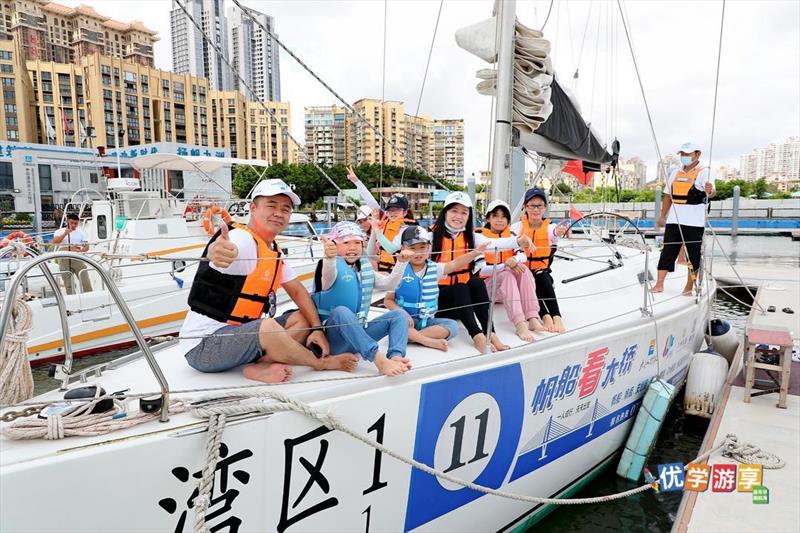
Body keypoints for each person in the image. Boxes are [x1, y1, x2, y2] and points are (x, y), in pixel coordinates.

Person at [180, 179, 359, 384]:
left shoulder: (273, 251)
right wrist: (217, 251)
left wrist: (317, 329)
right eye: (271, 206)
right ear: (253, 208)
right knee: (267, 326)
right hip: (204, 348)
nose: (279, 213)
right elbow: (228, 249)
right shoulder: (242, 238)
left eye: (285, 209)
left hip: (242, 335)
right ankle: (320, 364)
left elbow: (298, 292)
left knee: (302, 318)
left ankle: (260, 364)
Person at [431, 192, 530, 353]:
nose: (459, 216)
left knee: (476, 282)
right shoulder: (430, 238)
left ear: (469, 216)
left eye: (464, 212)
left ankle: (490, 333)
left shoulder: (471, 238)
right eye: (454, 211)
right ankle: (477, 336)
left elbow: (496, 243)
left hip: (463, 305)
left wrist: (518, 241)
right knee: (461, 287)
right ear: (445, 213)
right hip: (438, 303)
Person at [312, 221, 412, 376]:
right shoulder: (329, 267)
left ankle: (396, 357)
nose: (352, 247)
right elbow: (328, 274)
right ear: (335, 245)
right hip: (335, 341)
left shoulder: (364, 268)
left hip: (360, 335)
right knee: (341, 311)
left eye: (357, 242)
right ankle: (378, 360)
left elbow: (389, 284)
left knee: (399, 315)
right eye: (346, 242)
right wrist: (329, 257)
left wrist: (401, 263)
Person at [384, 226, 484, 351]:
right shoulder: (398, 270)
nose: (418, 252)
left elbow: (455, 263)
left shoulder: (435, 269)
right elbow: (388, 300)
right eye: (412, 248)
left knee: (452, 326)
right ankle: (427, 341)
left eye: (422, 247)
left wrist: (475, 253)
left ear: (428, 248)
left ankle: (410, 337)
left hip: (427, 323)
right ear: (403, 248)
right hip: (405, 321)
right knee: (395, 324)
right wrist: (403, 314)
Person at [651, 142, 715, 295]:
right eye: (683, 154)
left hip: (694, 222)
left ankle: (688, 287)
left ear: (697, 155)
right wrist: (662, 216)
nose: (685, 157)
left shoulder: (704, 171)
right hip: (674, 220)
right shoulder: (675, 172)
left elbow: (712, 193)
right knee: (667, 252)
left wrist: (710, 190)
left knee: (693, 255)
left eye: (688, 154)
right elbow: (668, 196)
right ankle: (659, 284)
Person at [477, 200, 546, 341]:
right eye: (495, 216)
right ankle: (520, 324)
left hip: (505, 292)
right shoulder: (479, 236)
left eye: (503, 217)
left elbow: (523, 255)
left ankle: (532, 317)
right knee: (507, 274)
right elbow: (481, 270)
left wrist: (514, 260)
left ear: (508, 220)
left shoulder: (513, 235)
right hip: (487, 290)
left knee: (524, 270)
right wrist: (505, 265)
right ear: (488, 218)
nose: (499, 220)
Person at [511, 187, 567, 333]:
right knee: (529, 279)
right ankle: (545, 316)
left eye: (539, 206)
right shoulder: (516, 228)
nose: (536, 210)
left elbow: (554, 234)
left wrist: (559, 232)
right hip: (522, 271)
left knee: (541, 277)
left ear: (545, 208)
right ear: (525, 207)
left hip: (541, 270)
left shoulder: (550, 228)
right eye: (532, 206)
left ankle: (556, 317)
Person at [346, 165, 417, 272]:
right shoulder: (385, 222)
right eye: (390, 210)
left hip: (403, 272)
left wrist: (377, 231)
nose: (392, 213)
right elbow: (370, 253)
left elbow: (391, 249)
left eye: (397, 210)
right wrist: (356, 181)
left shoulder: (408, 228)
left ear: (405, 212)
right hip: (384, 271)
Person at [52, 213, 92, 294]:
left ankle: (90, 297)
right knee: (68, 284)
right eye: (71, 223)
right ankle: (72, 300)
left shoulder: (81, 232)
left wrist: (80, 251)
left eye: (76, 223)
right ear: (68, 222)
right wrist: (65, 234)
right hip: (64, 259)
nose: (73, 225)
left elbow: (87, 246)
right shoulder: (59, 231)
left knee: (85, 281)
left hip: (77, 257)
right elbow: (55, 242)